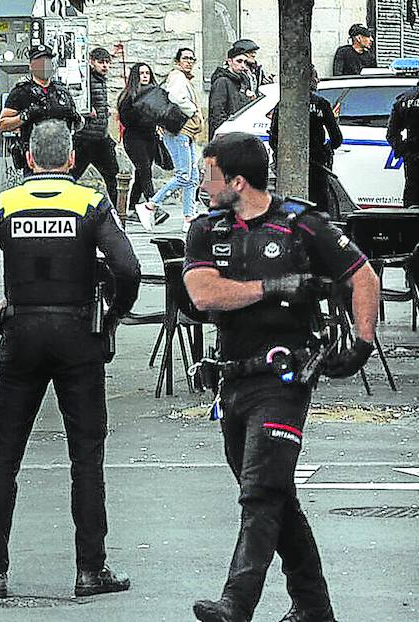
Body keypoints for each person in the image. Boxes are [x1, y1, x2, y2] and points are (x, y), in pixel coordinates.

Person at [0, 120, 141, 601]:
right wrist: (111, 317)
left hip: (22, 331)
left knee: (4, 457)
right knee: (86, 456)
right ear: (71, 160)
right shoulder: (91, 204)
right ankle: (91, 569)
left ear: (28, 159)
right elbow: (128, 267)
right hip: (77, 333)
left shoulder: (4, 204)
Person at [185, 132, 380, 622]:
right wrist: (274, 286)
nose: (202, 184)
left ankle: (236, 604)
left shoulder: (303, 225)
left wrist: (360, 343)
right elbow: (204, 295)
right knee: (274, 497)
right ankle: (314, 609)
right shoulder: (207, 231)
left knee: (261, 493)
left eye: (209, 175)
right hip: (231, 380)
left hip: (286, 378)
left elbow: (364, 275)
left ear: (237, 180)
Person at [138, 48, 203, 233]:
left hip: (185, 132)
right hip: (178, 131)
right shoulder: (177, 77)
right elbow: (175, 96)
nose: (189, 62)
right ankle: (150, 205)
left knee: (192, 176)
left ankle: (188, 217)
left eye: (192, 58)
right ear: (178, 61)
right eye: (185, 58)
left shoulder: (183, 78)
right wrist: (193, 111)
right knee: (184, 175)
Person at [0, 44, 81, 175]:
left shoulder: (62, 91)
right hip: (34, 162)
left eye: (47, 62)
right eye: (39, 62)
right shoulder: (21, 92)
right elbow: (2, 124)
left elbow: (79, 124)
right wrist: (25, 115)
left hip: (60, 160)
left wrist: (75, 117)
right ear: (31, 66)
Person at [269, 66, 343, 211]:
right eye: (315, 77)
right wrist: (325, 150)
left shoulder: (283, 104)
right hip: (317, 165)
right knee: (319, 208)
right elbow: (337, 138)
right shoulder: (321, 104)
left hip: (289, 164)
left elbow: (273, 138)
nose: (318, 80)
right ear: (310, 80)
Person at [72, 47, 121, 200]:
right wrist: (84, 109)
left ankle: (117, 214)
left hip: (100, 137)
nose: (105, 66)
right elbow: (73, 97)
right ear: (91, 62)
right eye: (101, 62)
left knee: (114, 176)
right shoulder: (85, 79)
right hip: (85, 138)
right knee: (71, 176)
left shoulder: (99, 80)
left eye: (107, 63)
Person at [118, 63, 163, 221]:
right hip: (134, 138)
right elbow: (126, 119)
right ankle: (153, 205)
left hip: (150, 137)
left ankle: (131, 208)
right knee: (144, 170)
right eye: (141, 73)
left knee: (141, 172)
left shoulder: (155, 94)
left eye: (147, 73)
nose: (145, 76)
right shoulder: (129, 96)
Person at [385, 78, 419, 208]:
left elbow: (391, 133)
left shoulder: (404, 99)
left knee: (412, 204)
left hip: (412, 159)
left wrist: (404, 151)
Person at [208, 46, 255, 137]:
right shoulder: (222, 81)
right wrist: (225, 130)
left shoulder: (243, 81)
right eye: (239, 61)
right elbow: (217, 111)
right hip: (226, 134)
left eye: (245, 62)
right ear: (230, 61)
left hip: (239, 131)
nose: (242, 65)